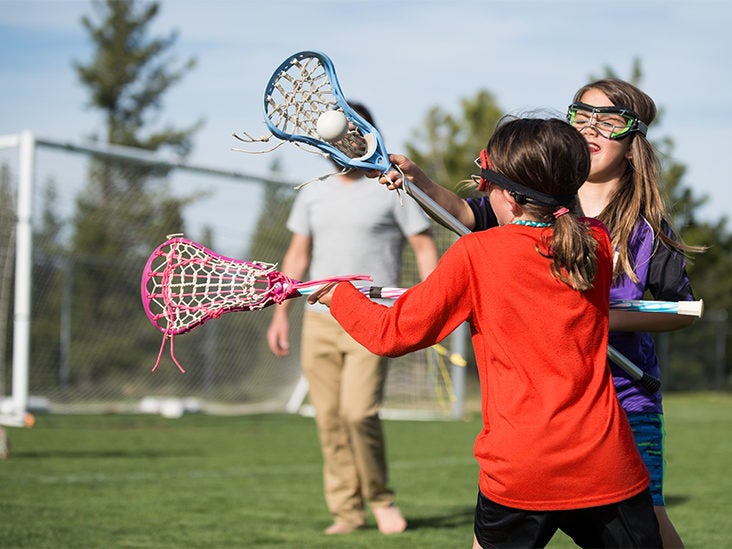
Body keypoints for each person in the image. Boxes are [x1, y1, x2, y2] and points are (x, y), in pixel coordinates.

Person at [308, 116, 663, 548]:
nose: (482, 192)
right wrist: (421, 182)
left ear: (510, 197)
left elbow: (392, 333)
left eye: (486, 184)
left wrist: (341, 296)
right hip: (604, 461)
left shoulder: (476, 254)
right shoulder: (596, 242)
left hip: (521, 466)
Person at [378, 79, 698, 548]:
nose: (591, 128)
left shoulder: (644, 229)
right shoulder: (532, 199)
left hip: (624, 401)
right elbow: (463, 216)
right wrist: (418, 181)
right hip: (543, 412)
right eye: (582, 116)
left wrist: (593, 318)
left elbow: (681, 311)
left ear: (634, 143)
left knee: (650, 520)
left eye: (609, 121)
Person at [265, 103, 439, 536]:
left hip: (373, 320)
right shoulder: (313, 192)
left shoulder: (390, 187)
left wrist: (434, 306)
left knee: (359, 413)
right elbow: (298, 254)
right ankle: (346, 512)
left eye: (349, 134)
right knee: (328, 418)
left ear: (365, 135)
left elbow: (423, 247)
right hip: (319, 319)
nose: (340, 143)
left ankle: (381, 499)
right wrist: (281, 314)